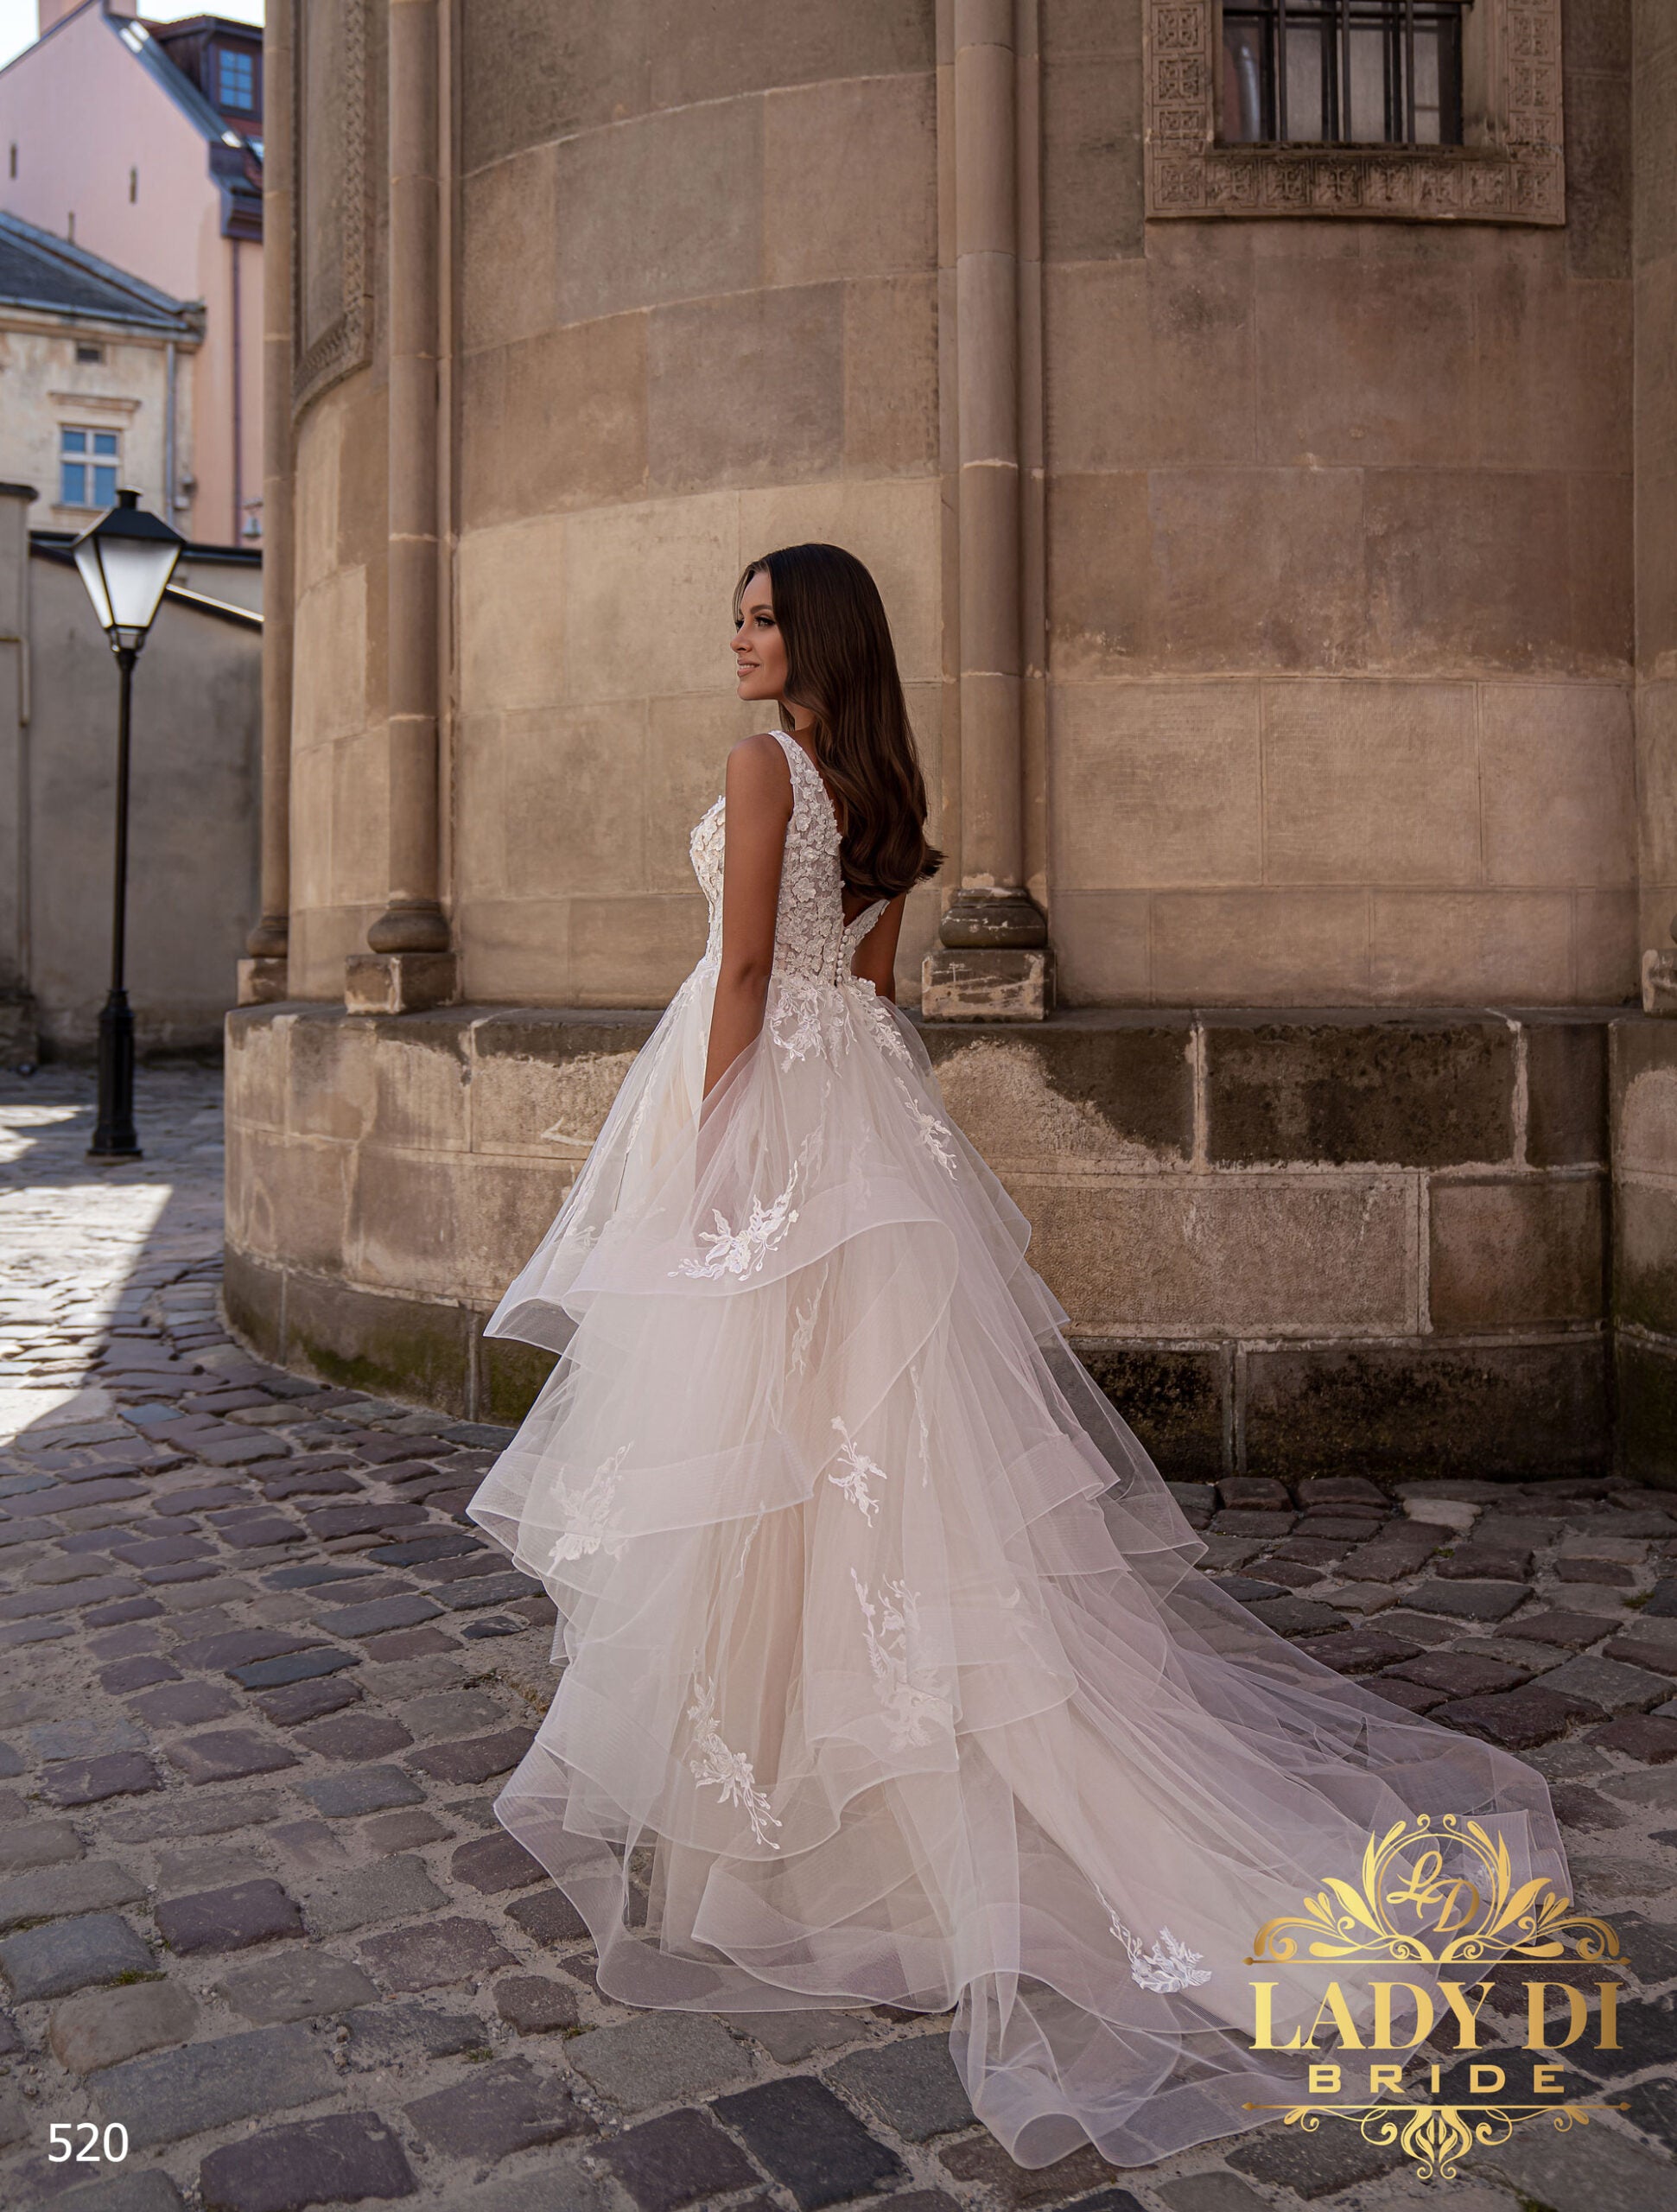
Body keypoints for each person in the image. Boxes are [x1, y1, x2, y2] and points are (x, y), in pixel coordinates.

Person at [466, 543, 1573, 2171]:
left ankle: (788, 1810)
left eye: (765, 615)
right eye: (742, 613)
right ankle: (811, 1780)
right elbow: (872, 986)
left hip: (774, 1114)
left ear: (818, 635)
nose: (740, 635)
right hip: (858, 1120)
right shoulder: (885, 786)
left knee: (768, 1439)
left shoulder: (765, 764)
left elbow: (762, 971)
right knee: (865, 1442)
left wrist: (702, 1155)